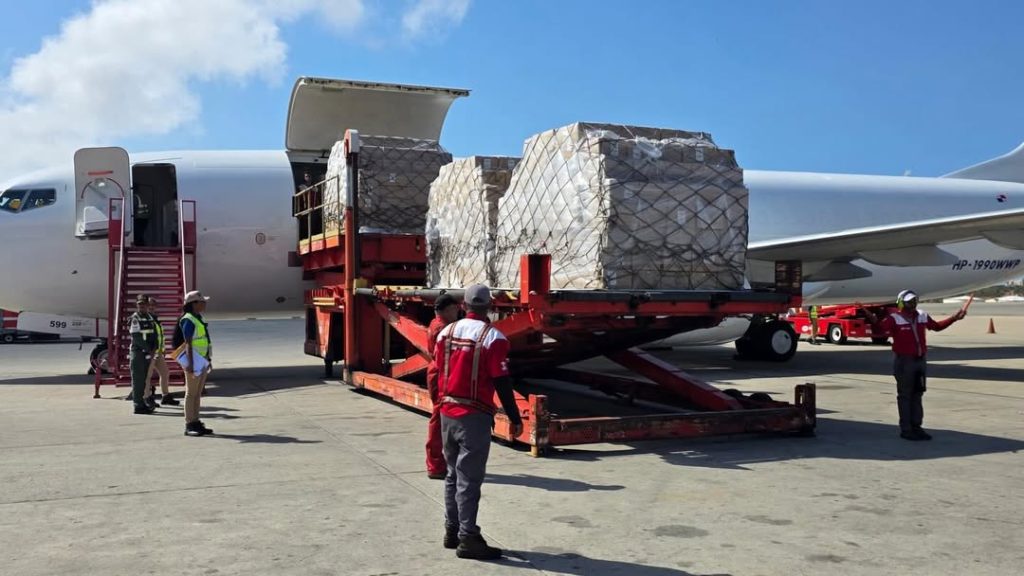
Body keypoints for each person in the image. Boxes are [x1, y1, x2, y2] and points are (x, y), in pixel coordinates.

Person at [432, 284, 523, 560]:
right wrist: (514, 417)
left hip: (448, 411)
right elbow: (501, 381)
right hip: (474, 416)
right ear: (490, 307)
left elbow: (437, 369)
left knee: (452, 474)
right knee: (469, 479)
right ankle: (468, 537)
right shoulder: (493, 338)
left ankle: (452, 529)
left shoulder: (446, 332)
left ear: (464, 305)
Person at [860, 290, 966, 441]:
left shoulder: (922, 315)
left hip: (920, 361)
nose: (913, 304)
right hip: (905, 362)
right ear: (901, 303)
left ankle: (917, 427)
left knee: (917, 395)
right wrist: (873, 321)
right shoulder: (894, 318)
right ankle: (906, 429)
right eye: (909, 301)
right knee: (905, 396)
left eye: (914, 301)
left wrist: (954, 318)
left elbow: (936, 326)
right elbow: (880, 330)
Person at [425, 293, 460, 479]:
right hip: (441, 375)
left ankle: (438, 462)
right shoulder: (444, 329)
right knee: (439, 420)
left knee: (439, 418)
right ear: (447, 310)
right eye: (455, 309)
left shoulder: (435, 323)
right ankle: (435, 465)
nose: (458, 312)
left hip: (436, 372)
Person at [178, 290, 214, 436]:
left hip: (202, 360)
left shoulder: (198, 318)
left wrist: (208, 359)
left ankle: (196, 421)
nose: (204, 304)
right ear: (194, 303)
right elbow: (188, 343)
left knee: (198, 394)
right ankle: (189, 424)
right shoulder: (188, 319)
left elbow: (204, 340)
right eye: (202, 301)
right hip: (194, 361)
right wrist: (190, 364)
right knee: (191, 393)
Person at [146, 296, 178, 406]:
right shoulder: (144, 319)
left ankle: (165, 396)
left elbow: (159, 336)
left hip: (158, 352)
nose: (151, 307)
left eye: (153, 305)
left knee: (165, 373)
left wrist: (163, 349)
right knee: (147, 376)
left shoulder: (155, 319)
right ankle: (147, 398)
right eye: (149, 305)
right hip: (149, 353)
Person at [128, 294, 158, 414]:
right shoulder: (135, 318)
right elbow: (136, 337)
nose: (142, 306)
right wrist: (149, 349)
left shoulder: (150, 317)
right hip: (138, 353)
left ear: (147, 305)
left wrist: (155, 348)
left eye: (144, 304)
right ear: (136, 305)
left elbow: (154, 334)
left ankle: (142, 403)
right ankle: (138, 405)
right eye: (139, 304)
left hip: (147, 353)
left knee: (144, 380)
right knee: (138, 380)